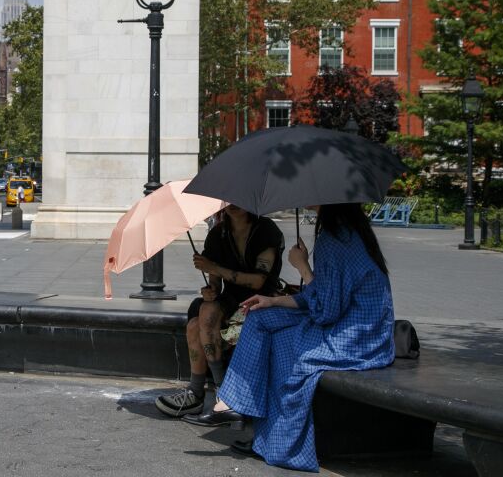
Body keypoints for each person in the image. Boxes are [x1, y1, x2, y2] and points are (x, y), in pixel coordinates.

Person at [191, 203, 395, 473]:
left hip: (356, 337)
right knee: (260, 316)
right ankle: (234, 403)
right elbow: (321, 300)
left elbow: (325, 310)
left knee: (285, 348)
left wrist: (302, 267)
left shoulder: (334, 240)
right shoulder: (347, 232)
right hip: (353, 325)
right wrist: (272, 301)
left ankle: (278, 443)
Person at [155, 204, 284, 418]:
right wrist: (210, 291)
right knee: (199, 318)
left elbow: (258, 281)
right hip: (231, 300)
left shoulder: (266, 230)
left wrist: (214, 268)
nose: (232, 204)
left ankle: (219, 394)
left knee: (204, 319)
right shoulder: (218, 233)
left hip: (262, 300)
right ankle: (207, 391)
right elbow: (215, 285)